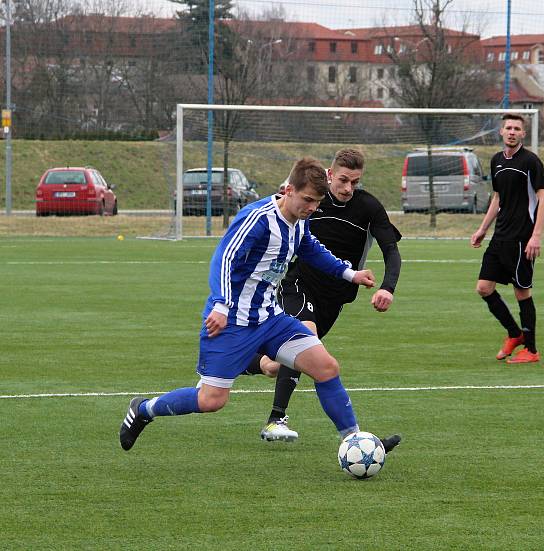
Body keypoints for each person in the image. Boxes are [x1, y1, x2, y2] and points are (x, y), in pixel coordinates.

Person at [119, 156, 400, 452]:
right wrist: (220, 305)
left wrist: (350, 273)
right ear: (288, 190)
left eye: (317, 202)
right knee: (211, 400)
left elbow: (313, 250)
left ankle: (356, 441)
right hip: (232, 322)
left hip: (270, 319)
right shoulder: (257, 218)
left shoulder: (299, 223)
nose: (312, 208)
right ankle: (144, 409)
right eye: (307, 200)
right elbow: (224, 260)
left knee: (326, 367)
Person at [244, 148, 402, 444]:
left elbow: (391, 251)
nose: (348, 188)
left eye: (355, 182)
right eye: (343, 180)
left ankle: (243, 360)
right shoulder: (310, 199)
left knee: (275, 365)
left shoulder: (369, 207)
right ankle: (276, 420)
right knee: (305, 337)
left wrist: (387, 287)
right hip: (298, 284)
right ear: (330, 174)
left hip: (335, 298)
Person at [470, 113, 544, 364]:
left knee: (522, 292)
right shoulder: (496, 161)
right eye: (508, 128)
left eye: (517, 128)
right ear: (501, 132)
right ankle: (515, 334)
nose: (512, 131)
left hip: (521, 238)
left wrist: (536, 235)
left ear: (523, 134)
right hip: (500, 236)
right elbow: (497, 198)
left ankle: (532, 350)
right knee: (484, 288)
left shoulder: (531, 162)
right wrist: (483, 228)